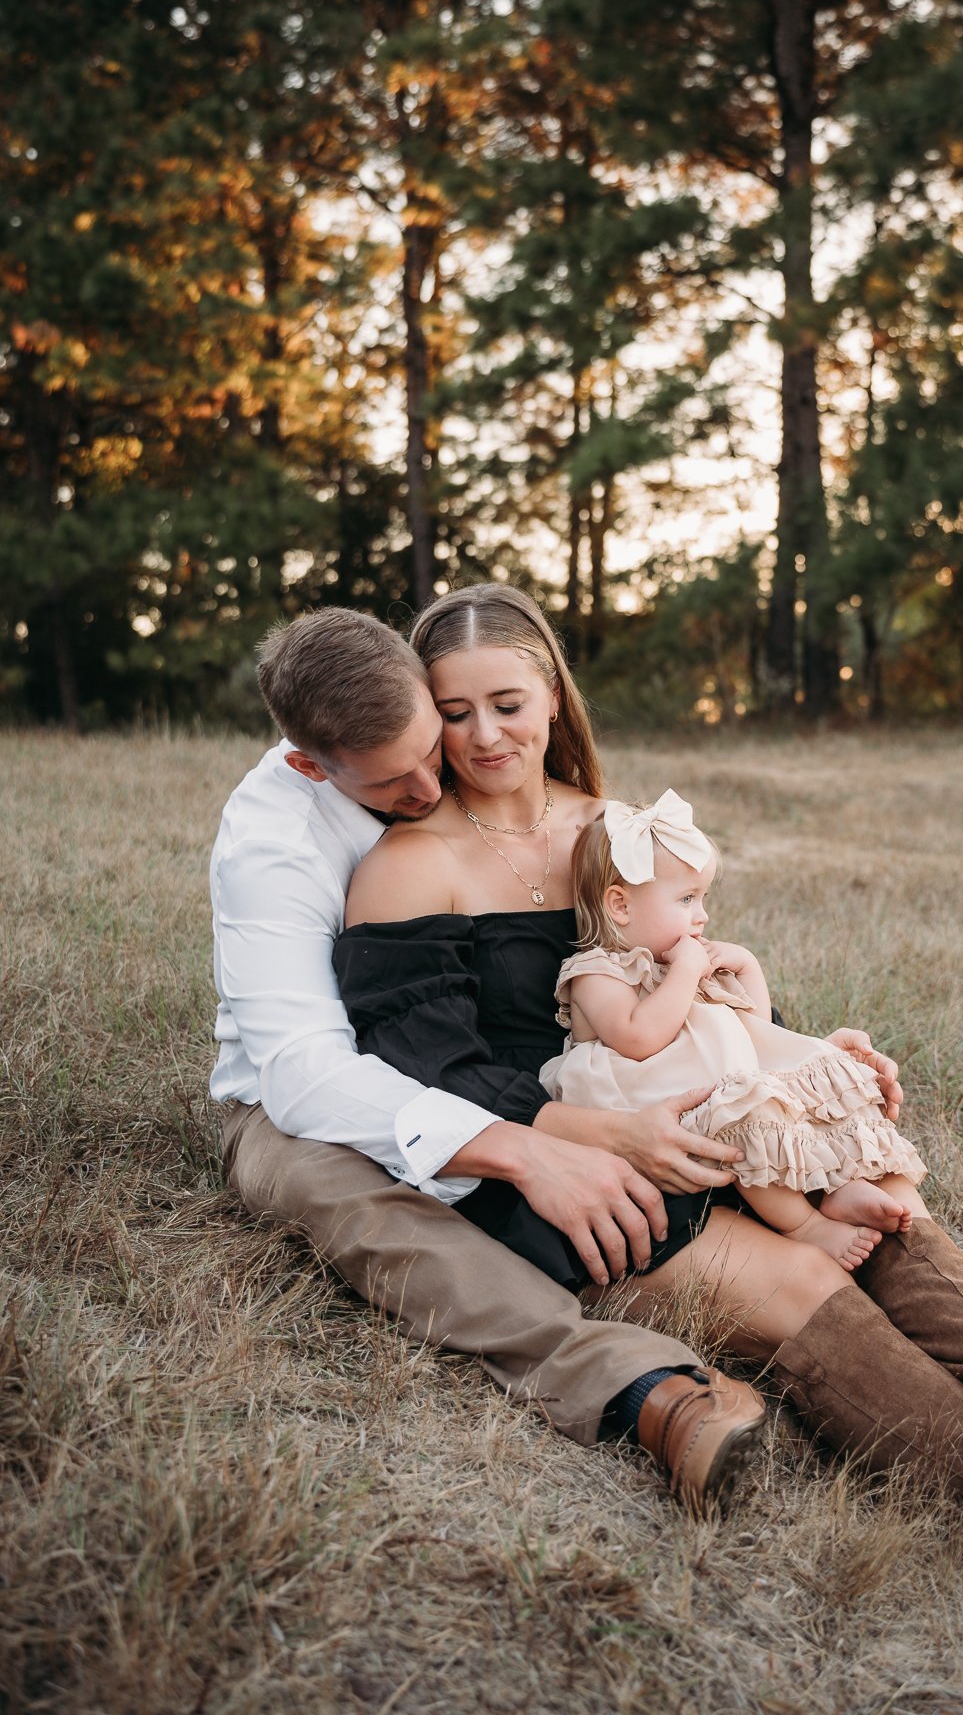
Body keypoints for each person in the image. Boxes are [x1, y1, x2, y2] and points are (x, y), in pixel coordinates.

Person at [335, 580, 963, 1625]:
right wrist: (613, 1136)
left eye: (508, 702)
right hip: (561, 1162)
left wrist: (793, 1044)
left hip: (693, 1106)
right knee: (805, 1276)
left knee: (875, 1196)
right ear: (424, 719)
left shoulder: (612, 832)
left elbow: (691, 982)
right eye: (454, 711)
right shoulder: (410, 866)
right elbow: (438, 1081)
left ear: (552, 696)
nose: (485, 733)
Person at [210, 607, 765, 1511]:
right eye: (396, 781)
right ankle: (641, 1389)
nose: (435, 783)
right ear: (312, 764)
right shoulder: (272, 846)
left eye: (434, 746)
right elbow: (305, 1073)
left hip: (459, 1061)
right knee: (362, 1205)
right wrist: (521, 1146)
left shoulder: (512, 799)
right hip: (305, 1094)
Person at [546, 792, 930, 1271]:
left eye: (702, 898)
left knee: (796, 1088)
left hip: (720, 1082)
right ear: (620, 906)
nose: (701, 915)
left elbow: (751, 1025)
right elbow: (638, 1038)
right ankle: (804, 1226)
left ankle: (834, 1187)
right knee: (746, 1115)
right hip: (654, 1102)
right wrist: (685, 975)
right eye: (686, 899)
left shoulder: (676, 960)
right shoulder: (595, 972)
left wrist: (746, 966)